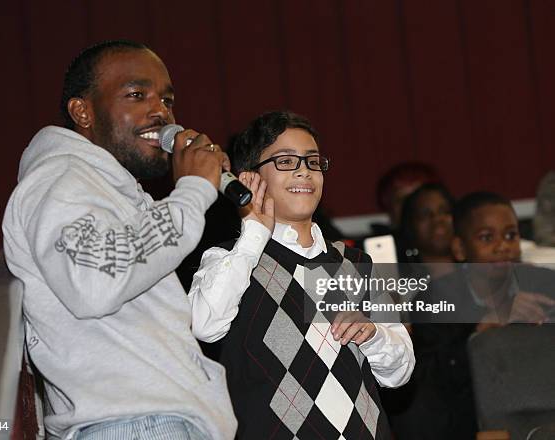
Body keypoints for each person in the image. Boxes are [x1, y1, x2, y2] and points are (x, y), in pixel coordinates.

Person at [2, 40, 236, 440]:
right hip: (134, 424)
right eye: (136, 94)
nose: (160, 110)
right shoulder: (62, 181)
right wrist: (194, 190)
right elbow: (97, 280)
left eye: (167, 98)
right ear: (83, 111)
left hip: (151, 420)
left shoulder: (107, 191)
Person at [188, 111, 414, 439]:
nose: (304, 171)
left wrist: (373, 334)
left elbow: (401, 371)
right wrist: (253, 234)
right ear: (249, 177)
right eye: (286, 161)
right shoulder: (230, 259)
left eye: (312, 161)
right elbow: (204, 326)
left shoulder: (356, 263)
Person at [405, 191, 555, 439]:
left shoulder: (543, 283)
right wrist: (481, 329)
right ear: (460, 248)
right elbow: (429, 386)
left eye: (511, 235)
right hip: (472, 423)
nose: (502, 246)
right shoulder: (434, 300)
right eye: (487, 238)